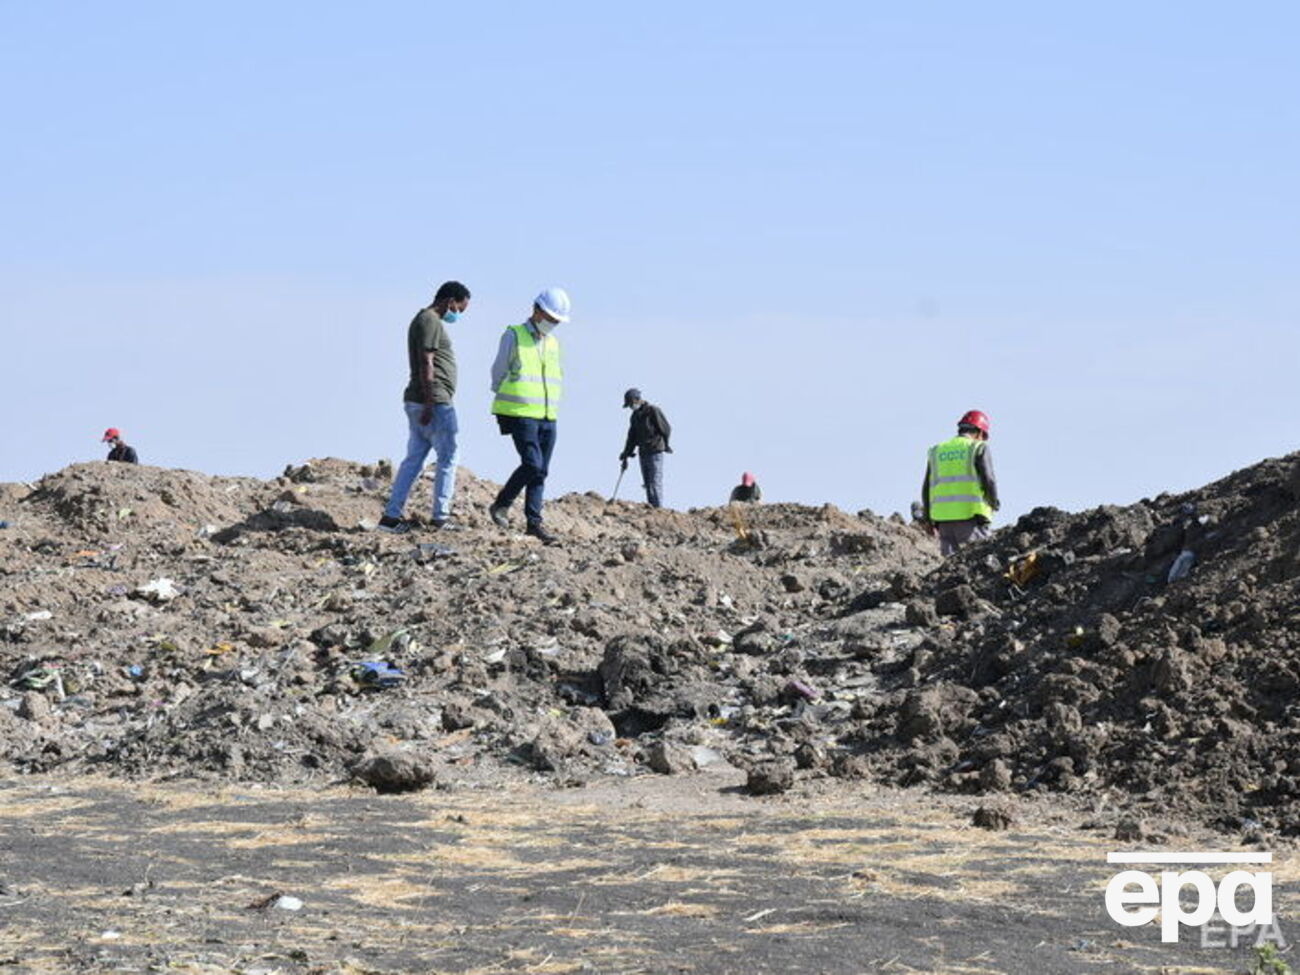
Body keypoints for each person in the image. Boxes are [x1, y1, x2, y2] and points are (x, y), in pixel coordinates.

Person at [379, 281, 472, 534]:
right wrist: (431, 401)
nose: (458, 314)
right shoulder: (430, 320)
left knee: (413, 460)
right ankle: (441, 517)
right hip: (434, 402)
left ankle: (391, 517)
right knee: (448, 457)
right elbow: (427, 361)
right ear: (450, 300)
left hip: (417, 400)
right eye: (459, 308)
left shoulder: (422, 319)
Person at [487, 287, 570, 545]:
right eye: (550, 318)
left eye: (557, 321)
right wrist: (504, 399)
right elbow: (498, 370)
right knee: (532, 464)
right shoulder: (514, 335)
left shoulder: (553, 343)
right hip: (520, 413)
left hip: (548, 415)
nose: (552, 324)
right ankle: (502, 504)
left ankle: (534, 524)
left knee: (541, 471)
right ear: (536, 310)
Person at [921, 409, 1000, 556]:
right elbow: (989, 479)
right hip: (971, 519)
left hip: (943, 522)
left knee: (952, 570)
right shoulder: (977, 447)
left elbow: (926, 487)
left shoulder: (937, 451)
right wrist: (994, 502)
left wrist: (927, 518)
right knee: (979, 564)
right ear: (980, 433)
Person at [619, 388, 672, 508]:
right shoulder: (635, 417)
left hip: (655, 451)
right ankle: (651, 508)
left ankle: (658, 509)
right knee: (647, 484)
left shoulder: (653, 411)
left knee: (655, 483)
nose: (631, 407)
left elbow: (666, 429)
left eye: (631, 404)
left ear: (637, 400)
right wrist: (626, 453)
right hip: (643, 453)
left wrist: (665, 445)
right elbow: (631, 437)